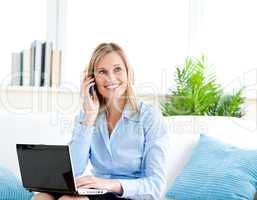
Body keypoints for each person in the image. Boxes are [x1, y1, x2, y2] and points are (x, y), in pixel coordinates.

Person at [32, 43, 169, 200]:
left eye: (117, 69)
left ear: (128, 73)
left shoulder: (149, 117)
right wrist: (89, 118)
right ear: (91, 79)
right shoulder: (87, 115)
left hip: (130, 196)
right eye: (102, 72)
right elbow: (73, 170)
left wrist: (109, 184)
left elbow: (156, 186)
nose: (111, 78)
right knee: (42, 196)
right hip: (97, 192)